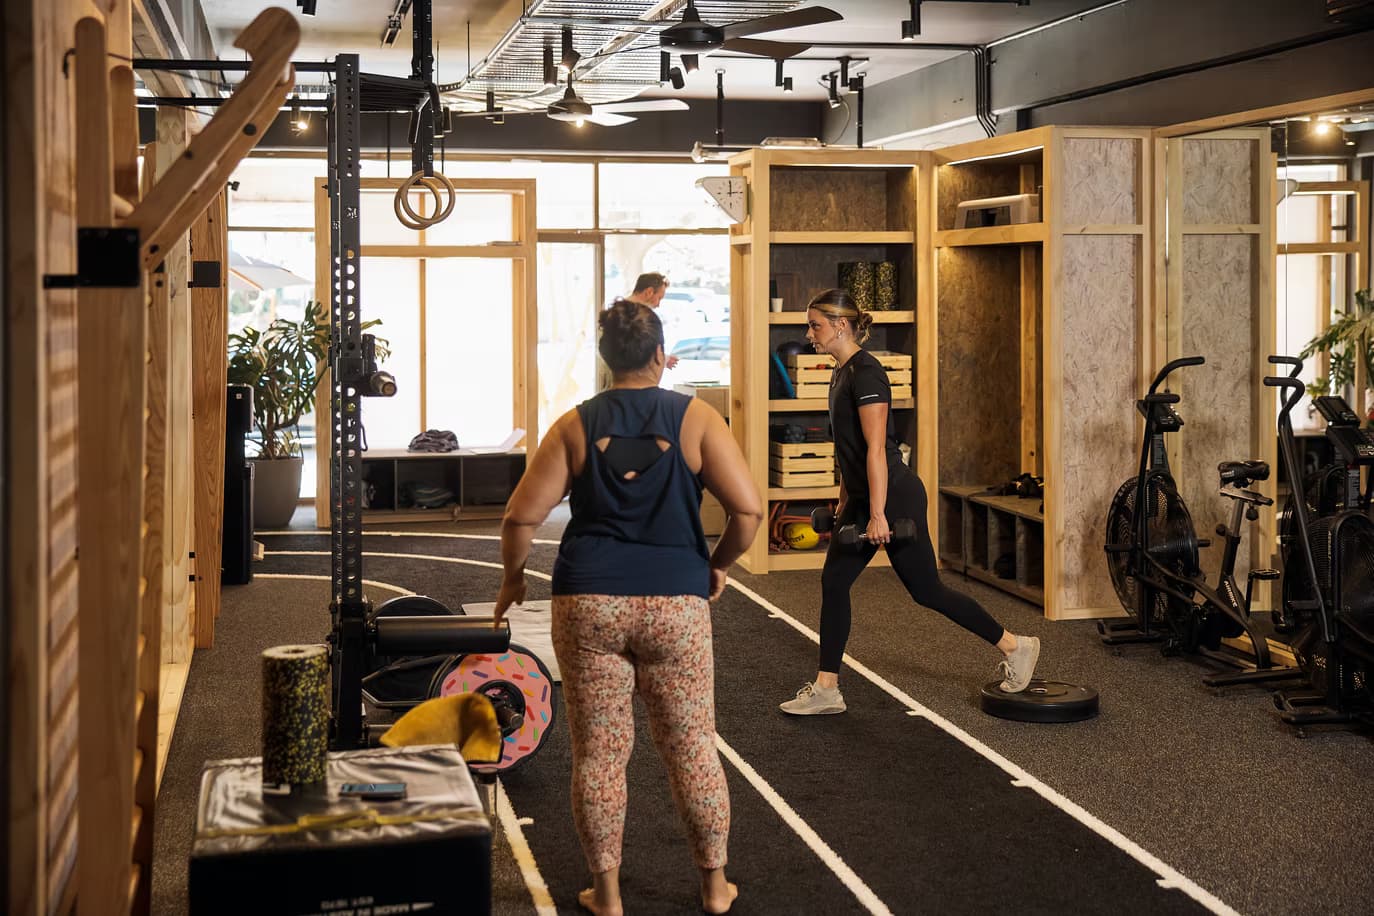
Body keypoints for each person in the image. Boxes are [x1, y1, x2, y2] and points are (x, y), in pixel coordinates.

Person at [494, 299, 763, 915]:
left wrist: (512, 579)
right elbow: (748, 511)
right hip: (676, 603)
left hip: (588, 603)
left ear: (605, 359)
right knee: (693, 746)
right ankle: (715, 888)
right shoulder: (697, 419)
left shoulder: (574, 425)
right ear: (661, 356)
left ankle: (608, 895)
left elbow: (520, 518)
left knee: (599, 755)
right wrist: (717, 564)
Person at [779, 288, 1041, 716]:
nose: (809, 335)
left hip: (895, 496)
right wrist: (845, 500)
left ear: (841, 325)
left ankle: (1016, 646)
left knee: (927, 590)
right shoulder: (840, 372)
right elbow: (848, 450)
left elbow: (877, 449)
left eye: (815, 325)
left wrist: (878, 513)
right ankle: (827, 689)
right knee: (834, 582)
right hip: (866, 495)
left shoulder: (867, 373)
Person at [597, 273, 677, 391]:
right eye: (659, 298)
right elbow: (628, 351)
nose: (658, 304)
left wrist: (662, 358)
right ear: (649, 292)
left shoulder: (618, 315)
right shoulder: (626, 319)